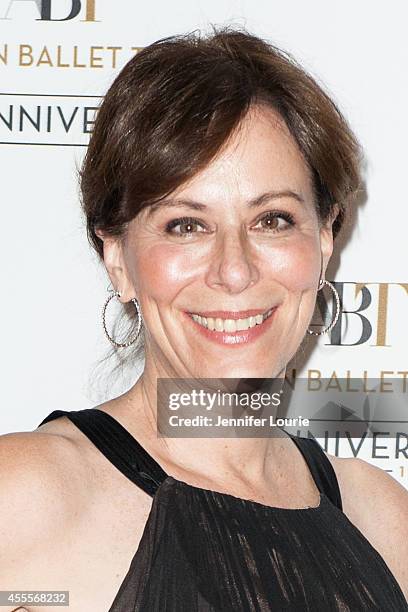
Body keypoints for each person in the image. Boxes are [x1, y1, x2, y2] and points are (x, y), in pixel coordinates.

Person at [1, 26, 407, 612]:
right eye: (185, 225)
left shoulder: (381, 519)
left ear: (323, 240)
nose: (234, 271)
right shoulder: (28, 497)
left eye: (273, 219)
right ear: (118, 258)